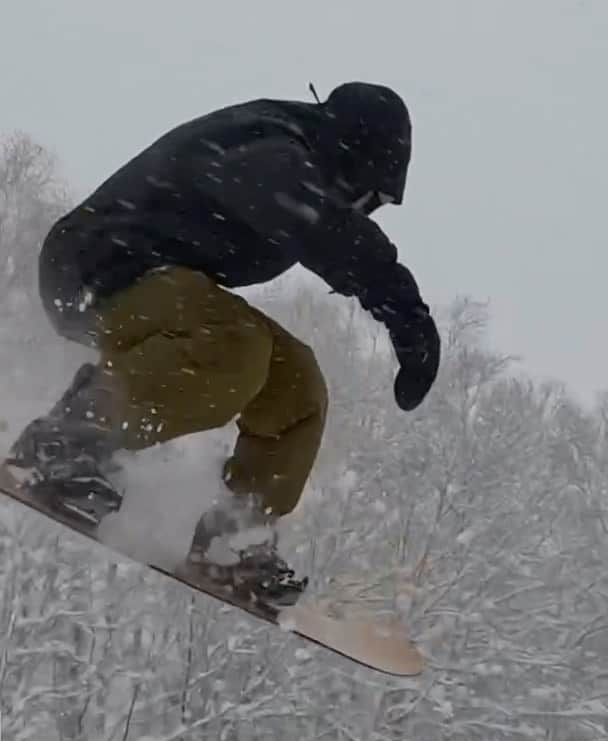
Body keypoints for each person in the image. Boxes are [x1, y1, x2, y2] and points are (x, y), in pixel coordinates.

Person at [8, 82, 440, 606]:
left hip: (159, 282)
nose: (366, 210)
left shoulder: (296, 157)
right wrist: (402, 308)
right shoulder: (269, 147)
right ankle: (63, 443)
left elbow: (319, 221)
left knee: (296, 383)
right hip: (94, 266)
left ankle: (237, 537)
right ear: (350, 152)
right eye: (371, 195)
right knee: (234, 348)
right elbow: (313, 218)